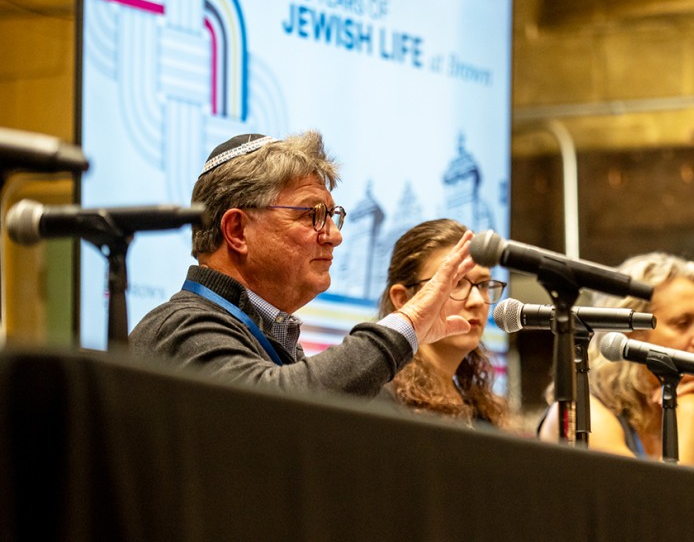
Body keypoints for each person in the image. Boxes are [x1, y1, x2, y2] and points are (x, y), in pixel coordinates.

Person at [129, 131, 476, 398]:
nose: (334, 236)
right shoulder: (181, 326)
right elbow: (282, 408)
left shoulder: (265, 331)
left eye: (332, 216)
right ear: (237, 230)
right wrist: (409, 323)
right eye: (312, 215)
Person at [539, 252, 694, 475]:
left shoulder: (684, 400)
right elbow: (657, 507)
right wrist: (690, 417)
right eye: (683, 323)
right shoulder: (585, 414)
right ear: (629, 332)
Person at [378, 219, 509, 428]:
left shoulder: (480, 408)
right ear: (403, 299)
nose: (477, 301)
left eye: (483, 284)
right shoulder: (378, 397)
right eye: (455, 283)